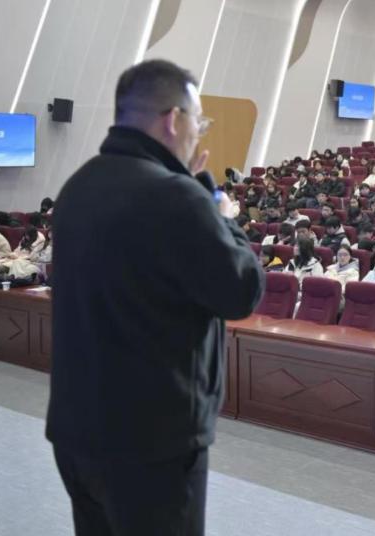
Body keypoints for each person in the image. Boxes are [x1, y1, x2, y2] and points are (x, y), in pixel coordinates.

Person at [46, 60, 264, 535]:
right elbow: (242, 291)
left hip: (77, 430)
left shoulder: (78, 187)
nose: (198, 133)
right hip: (153, 443)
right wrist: (223, 215)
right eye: (199, 122)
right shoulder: (177, 198)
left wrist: (193, 191)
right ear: (173, 120)